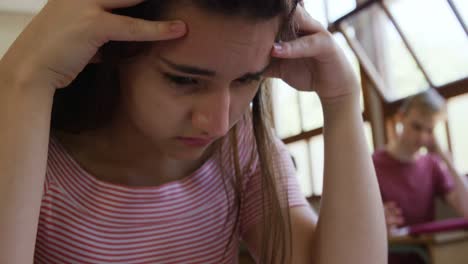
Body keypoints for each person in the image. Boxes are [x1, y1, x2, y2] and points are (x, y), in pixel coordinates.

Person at [0, 0, 386, 263]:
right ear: (110, 50)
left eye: (246, 80)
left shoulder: (242, 148)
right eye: (184, 80)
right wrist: (24, 78)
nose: (217, 123)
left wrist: (342, 102)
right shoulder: (34, 150)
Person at [373, 89, 468, 263]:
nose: (421, 137)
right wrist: (376, 222)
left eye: (429, 130)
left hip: (427, 258)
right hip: (387, 256)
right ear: (401, 117)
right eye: (416, 127)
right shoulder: (372, 164)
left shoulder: (432, 165)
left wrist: (445, 157)